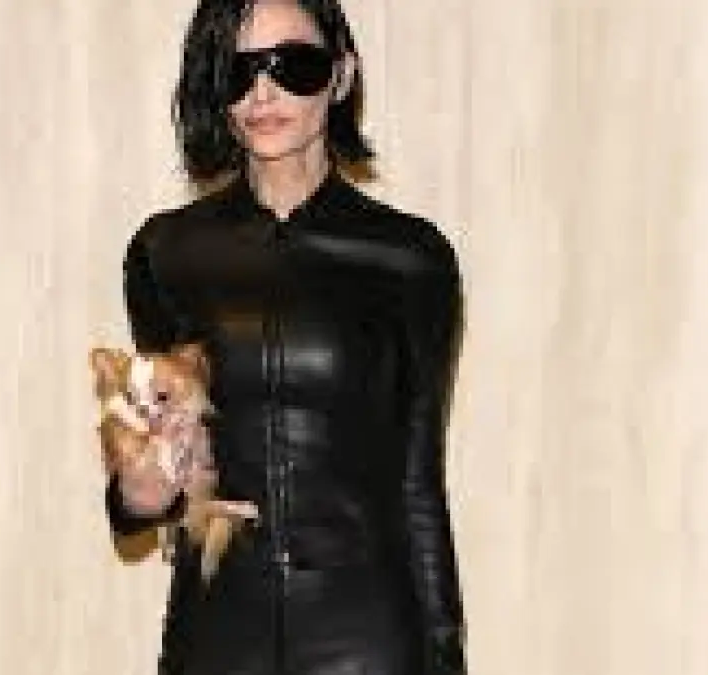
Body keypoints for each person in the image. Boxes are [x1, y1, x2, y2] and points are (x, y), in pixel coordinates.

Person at [103, 1, 467, 673]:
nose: (263, 93)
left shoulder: (409, 259)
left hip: (367, 641)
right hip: (216, 636)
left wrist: (445, 653)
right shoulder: (165, 254)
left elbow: (418, 481)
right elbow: (160, 469)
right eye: (238, 71)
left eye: (292, 65)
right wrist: (138, 497)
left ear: (341, 74)